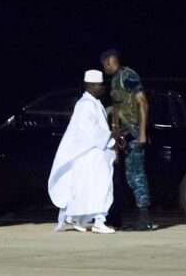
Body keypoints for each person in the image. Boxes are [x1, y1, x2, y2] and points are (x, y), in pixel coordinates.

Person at [48, 70, 117, 234]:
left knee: (88, 188)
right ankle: (99, 222)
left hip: (95, 154)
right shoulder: (86, 105)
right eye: (100, 85)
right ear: (91, 86)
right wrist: (111, 135)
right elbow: (89, 131)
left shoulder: (92, 103)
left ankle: (75, 218)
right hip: (92, 154)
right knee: (101, 187)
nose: (103, 88)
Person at [101, 49, 153, 231]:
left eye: (104, 65)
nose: (104, 69)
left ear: (109, 62)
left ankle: (145, 219)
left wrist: (142, 133)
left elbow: (143, 102)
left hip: (133, 133)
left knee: (136, 176)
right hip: (124, 134)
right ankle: (126, 218)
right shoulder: (117, 79)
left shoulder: (128, 76)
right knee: (127, 177)